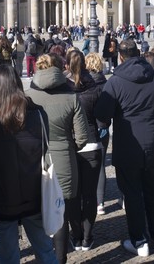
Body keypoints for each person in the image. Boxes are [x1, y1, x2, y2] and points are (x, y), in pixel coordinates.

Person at [94, 39, 154, 257]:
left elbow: (102, 114)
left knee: (132, 194)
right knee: (152, 190)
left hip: (127, 145)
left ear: (120, 56)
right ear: (139, 53)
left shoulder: (115, 82)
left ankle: (139, 240)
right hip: (152, 141)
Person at [0, 65, 58, 264]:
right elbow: (44, 147)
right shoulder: (37, 114)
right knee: (45, 250)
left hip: (2, 194)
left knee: (8, 254)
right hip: (34, 191)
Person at [25, 53, 89, 264]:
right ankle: (59, 260)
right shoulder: (71, 97)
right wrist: (68, 146)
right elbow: (82, 137)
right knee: (60, 215)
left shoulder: (28, 96)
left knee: (36, 214)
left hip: (34, 162)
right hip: (63, 160)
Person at [64, 50, 103, 252]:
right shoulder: (95, 88)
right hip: (92, 143)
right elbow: (103, 118)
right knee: (89, 194)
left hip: (70, 145)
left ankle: (76, 236)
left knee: (73, 195)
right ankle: (88, 238)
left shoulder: (63, 88)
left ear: (67, 65)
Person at [84, 53, 110, 216]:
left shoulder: (84, 83)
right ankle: (100, 203)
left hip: (87, 128)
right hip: (103, 128)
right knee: (100, 166)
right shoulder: (106, 83)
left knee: (86, 166)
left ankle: (87, 198)